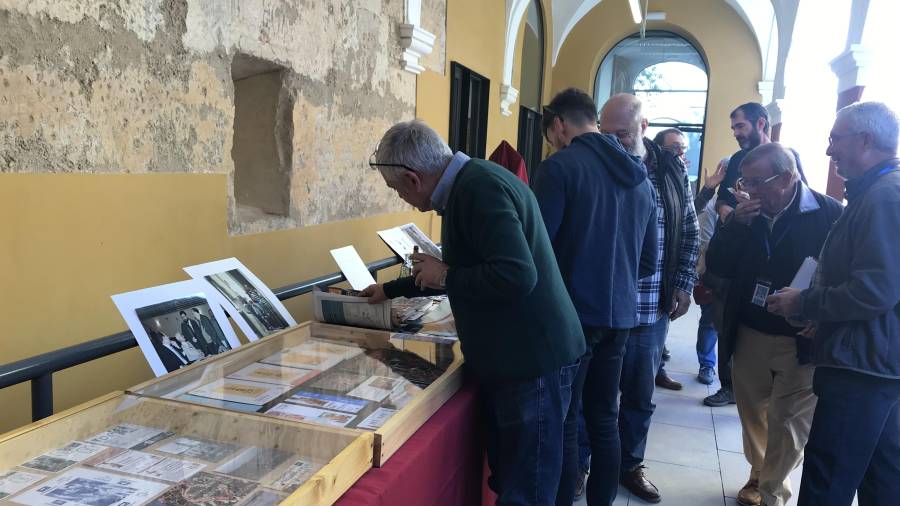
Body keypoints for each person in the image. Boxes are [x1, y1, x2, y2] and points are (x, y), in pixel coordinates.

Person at [360, 119, 585, 505]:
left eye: (396, 190)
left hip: (532, 359)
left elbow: (516, 275)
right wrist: (388, 289)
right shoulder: (472, 180)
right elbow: (467, 264)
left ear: (414, 179)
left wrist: (447, 276)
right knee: (517, 476)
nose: (402, 198)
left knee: (526, 489)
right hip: (524, 355)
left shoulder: (478, 189)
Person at [767, 101, 900, 506]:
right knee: (882, 479)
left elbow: (874, 291)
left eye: (834, 140)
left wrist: (805, 303)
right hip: (875, 361)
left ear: (865, 140)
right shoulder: (878, 192)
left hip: (861, 367)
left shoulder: (884, 197)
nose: (828, 151)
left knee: (828, 480)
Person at [535, 88, 657, 505]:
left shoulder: (559, 168)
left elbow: (538, 251)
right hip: (620, 317)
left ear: (558, 125)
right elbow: (648, 262)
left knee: (568, 421)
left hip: (570, 317)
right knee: (605, 420)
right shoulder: (642, 179)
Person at [706, 142, 842, 506]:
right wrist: (733, 226)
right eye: (743, 183)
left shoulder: (829, 213)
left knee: (789, 422)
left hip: (801, 337)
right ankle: (758, 472)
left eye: (755, 182)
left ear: (785, 178)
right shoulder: (744, 214)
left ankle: (772, 492)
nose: (747, 191)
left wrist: (820, 313)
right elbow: (717, 266)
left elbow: (845, 273)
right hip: (750, 330)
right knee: (752, 412)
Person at [599, 94, 700, 503]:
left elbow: (690, 230)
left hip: (649, 308)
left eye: (622, 134)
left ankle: (629, 466)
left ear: (643, 128)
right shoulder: (595, 165)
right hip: (601, 307)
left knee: (638, 397)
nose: (614, 142)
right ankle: (586, 466)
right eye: (606, 134)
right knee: (596, 395)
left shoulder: (670, 171)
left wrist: (684, 281)